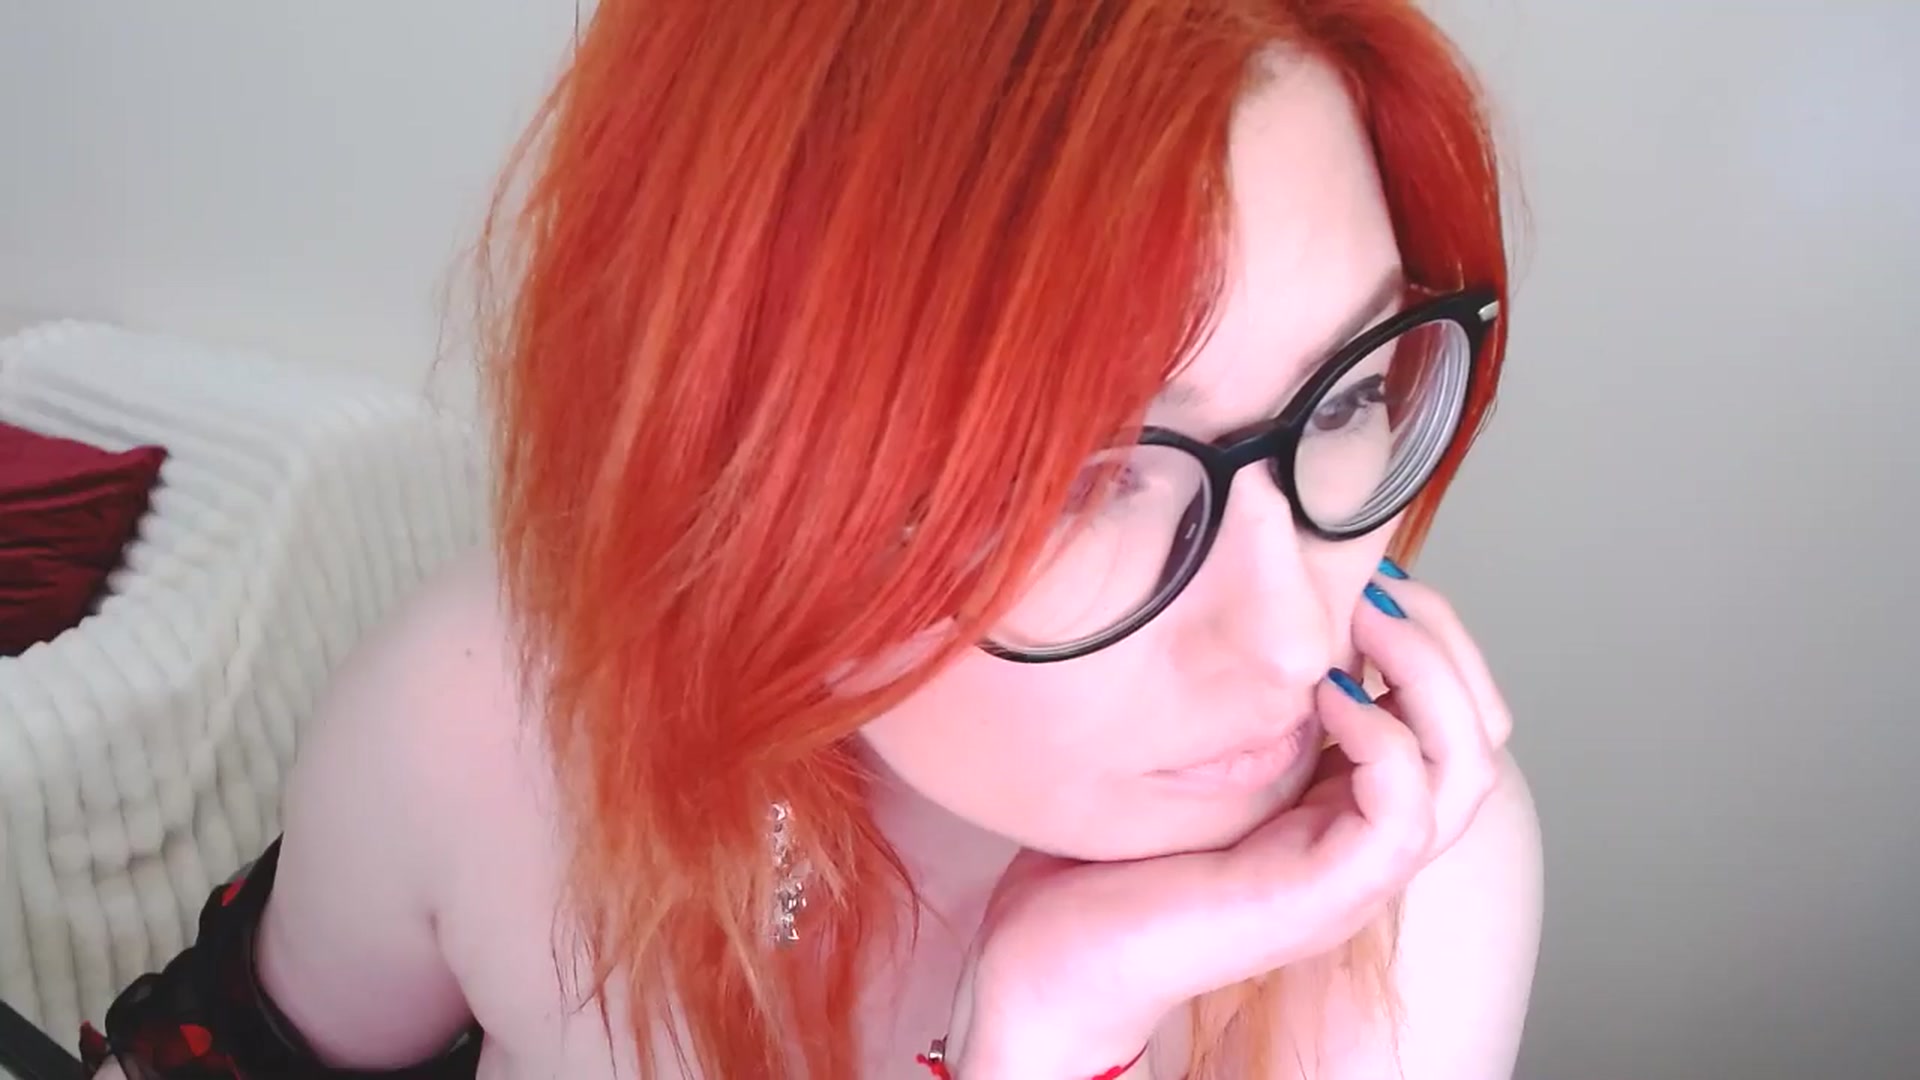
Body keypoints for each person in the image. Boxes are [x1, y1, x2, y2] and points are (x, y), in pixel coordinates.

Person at [82, 1, 1542, 1077]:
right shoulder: (490, 723)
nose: (1291, 637)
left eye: (1349, 396)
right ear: (742, 446)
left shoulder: (1402, 896)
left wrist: (1050, 1035)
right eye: (1082, 478)